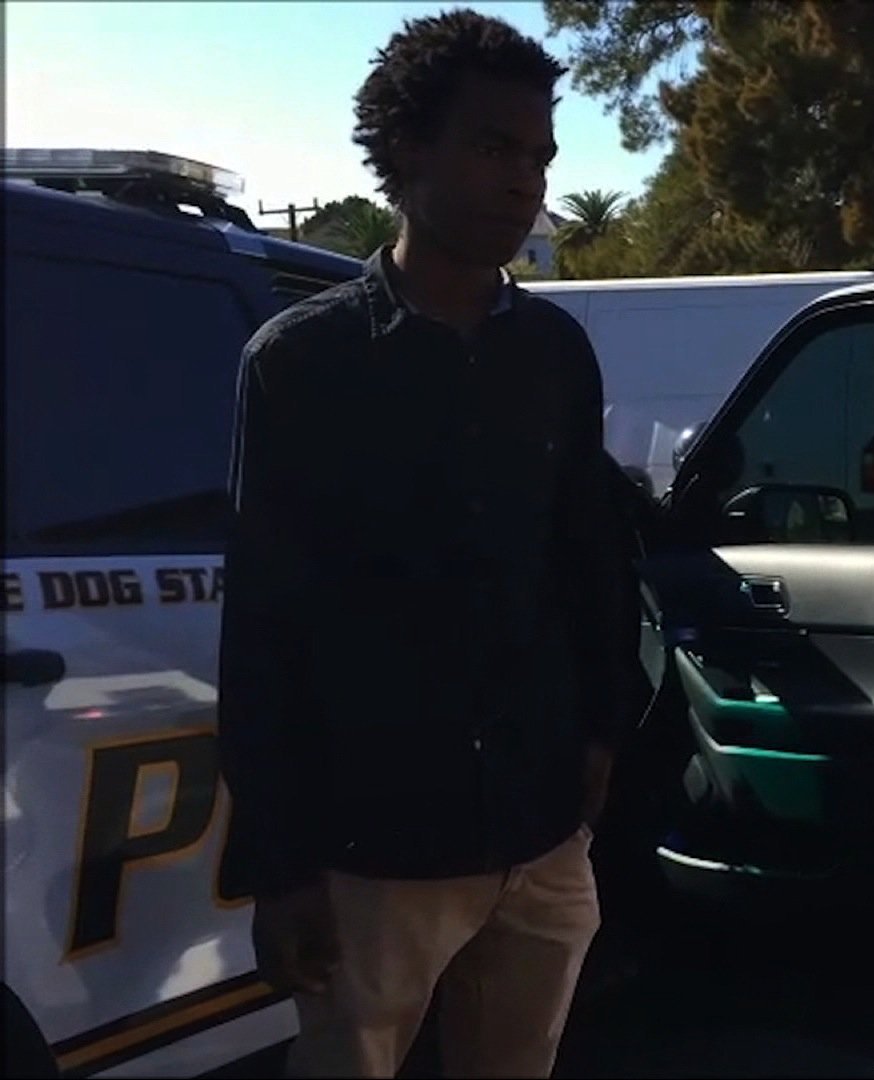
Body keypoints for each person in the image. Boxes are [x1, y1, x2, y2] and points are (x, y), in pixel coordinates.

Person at [216, 10, 643, 1078]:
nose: (526, 181)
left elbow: (590, 556)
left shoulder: (555, 353)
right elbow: (266, 619)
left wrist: (601, 734)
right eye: (496, 147)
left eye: (541, 156)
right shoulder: (301, 365)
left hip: (541, 837)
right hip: (377, 852)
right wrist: (279, 868)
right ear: (410, 149)